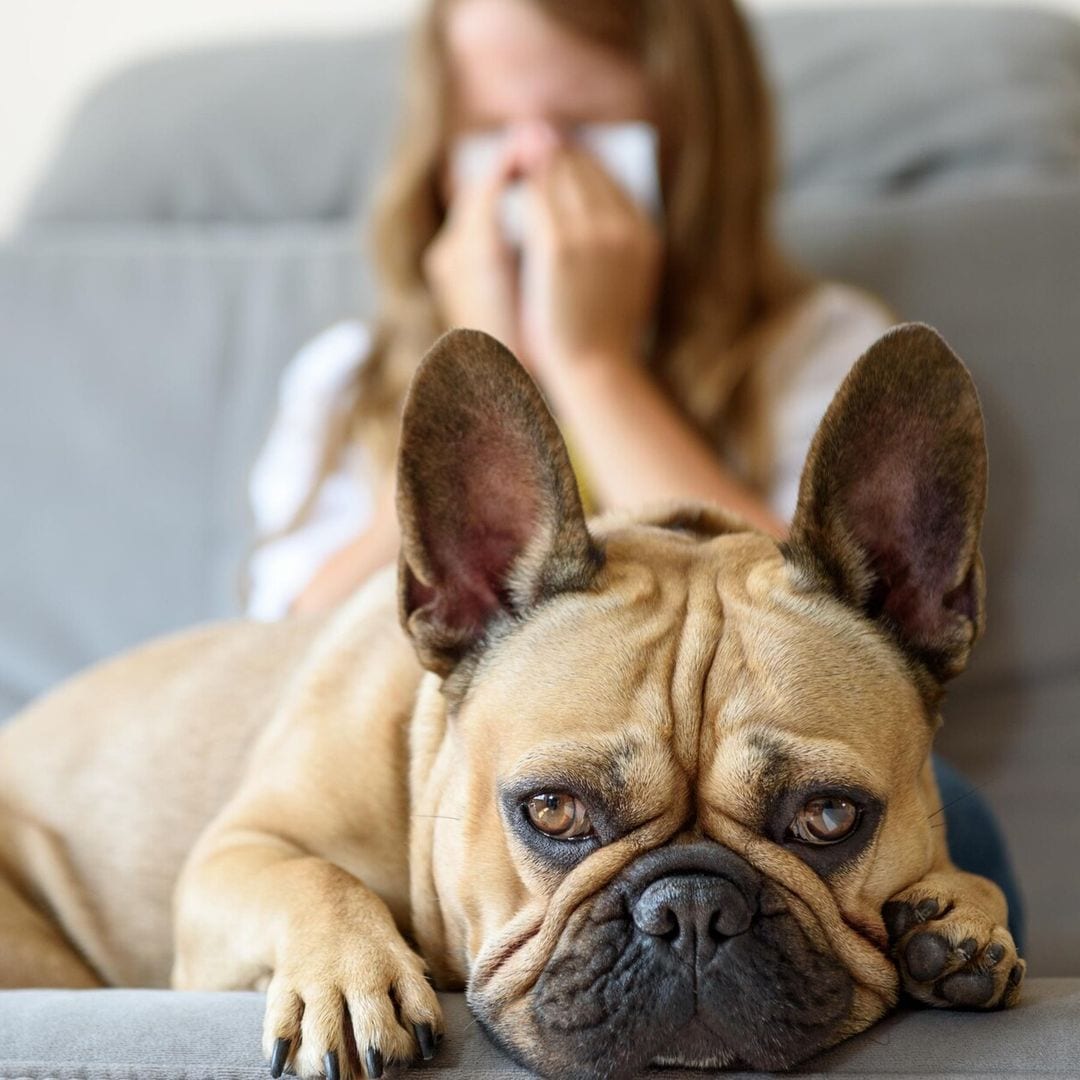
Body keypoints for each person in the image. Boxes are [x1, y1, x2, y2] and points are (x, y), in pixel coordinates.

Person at [245, 0, 1025, 947]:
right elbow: (294, 661)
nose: (534, 167)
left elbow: (825, 647)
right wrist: (483, 361)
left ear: (693, 146)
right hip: (474, 856)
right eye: (493, 135)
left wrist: (594, 367)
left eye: (582, 136)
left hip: (800, 893)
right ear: (437, 155)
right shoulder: (350, 380)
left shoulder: (806, 349)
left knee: (958, 820)